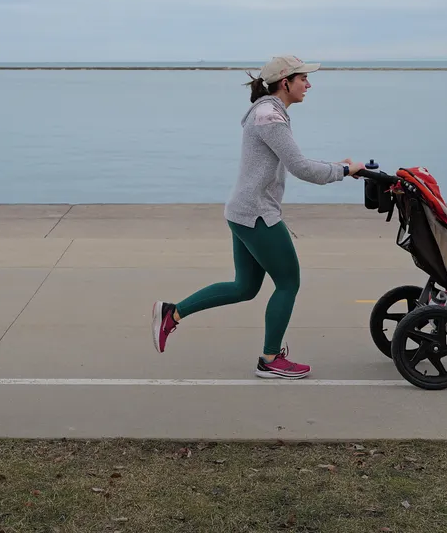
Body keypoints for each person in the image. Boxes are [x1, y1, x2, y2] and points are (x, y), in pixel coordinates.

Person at [151, 55, 364, 379]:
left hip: (242, 210)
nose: (309, 84)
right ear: (285, 83)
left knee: (245, 287)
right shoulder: (269, 117)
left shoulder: (267, 112)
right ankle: (270, 359)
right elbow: (300, 167)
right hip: (257, 214)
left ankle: (172, 313)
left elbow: (294, 158)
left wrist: (337, 165)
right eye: (303, 78)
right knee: (288, 282)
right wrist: (344, 170)